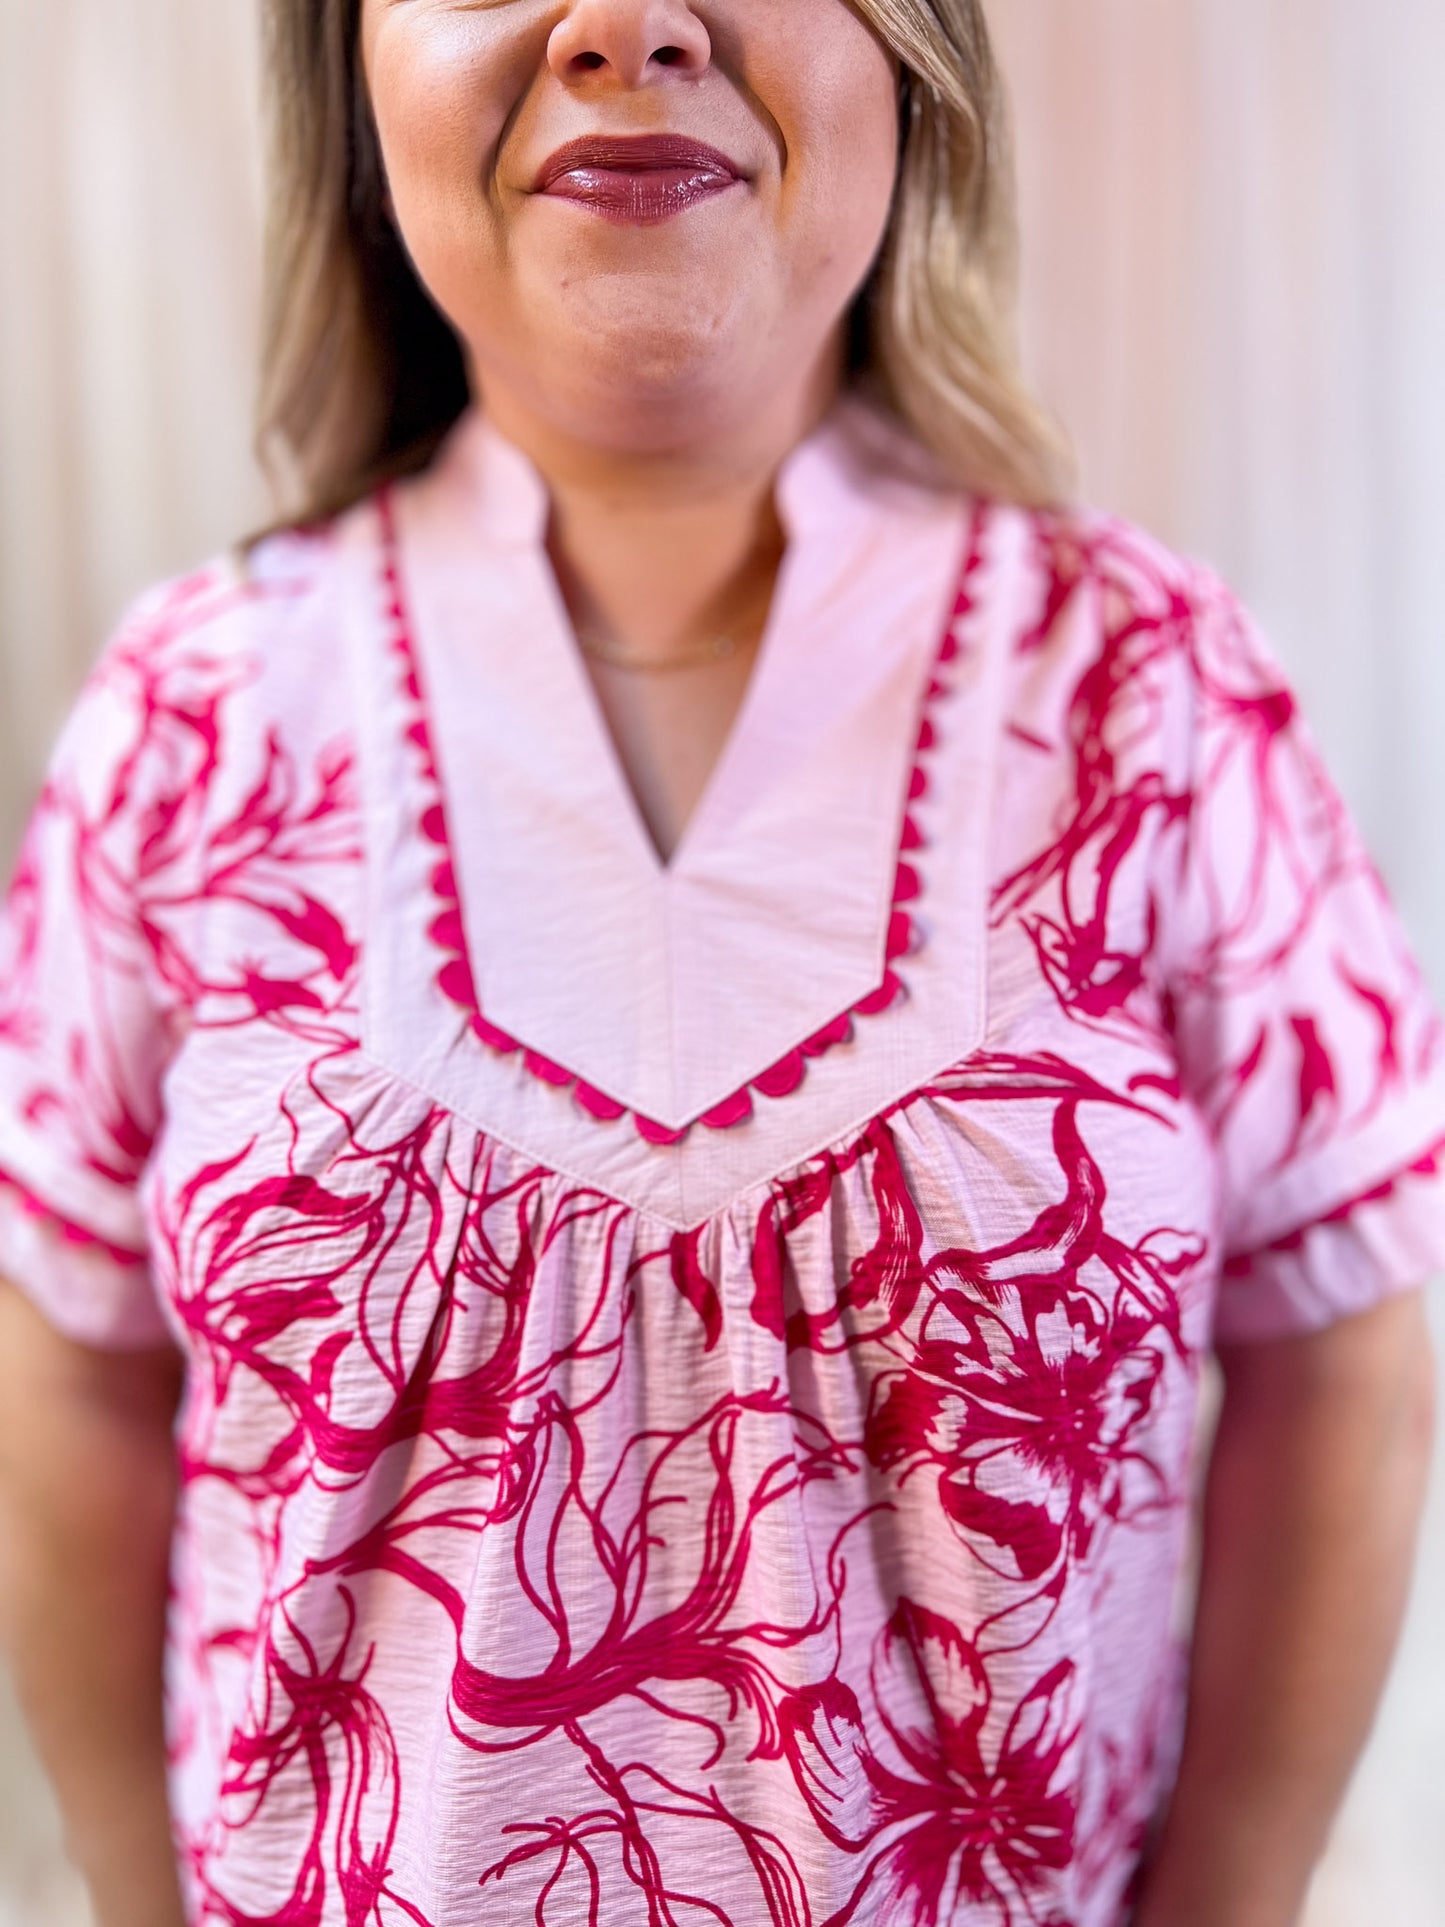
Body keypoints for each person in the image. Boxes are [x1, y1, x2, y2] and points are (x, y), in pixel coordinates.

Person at [0, 1, 1441, 1922]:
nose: (625, 24)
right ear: (348, 72)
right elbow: (74, 1374)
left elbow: (1341, 1358)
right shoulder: (189, 721)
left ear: (915, 58)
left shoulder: (1147, 694)